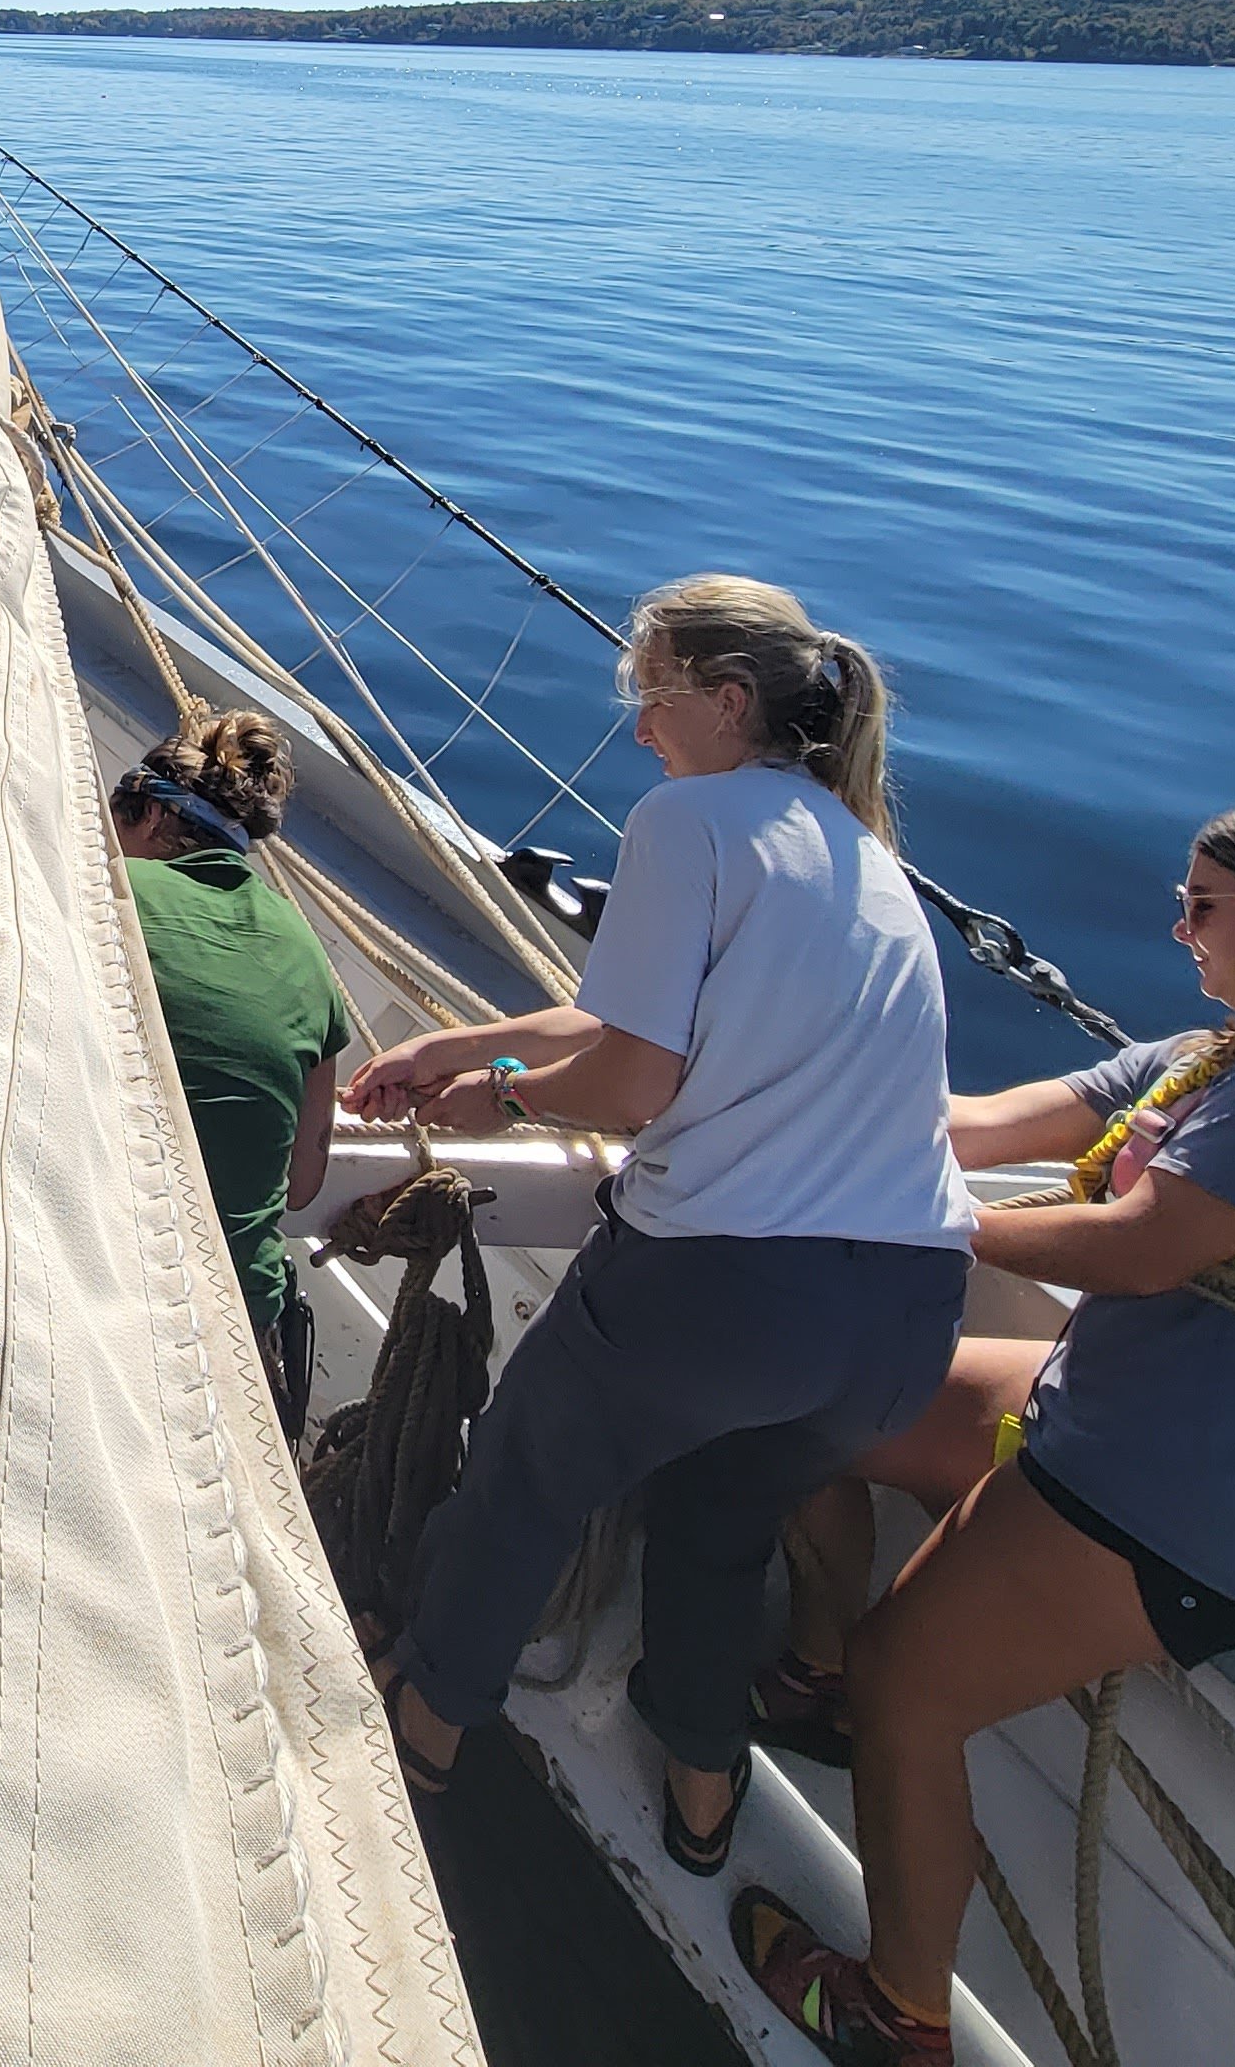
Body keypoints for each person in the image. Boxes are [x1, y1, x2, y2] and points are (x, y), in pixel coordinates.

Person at [732, 792, 1235, 2067]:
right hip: (1110, 1419)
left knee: (911, 1685)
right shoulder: (1228, 1059)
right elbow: (995, 1121)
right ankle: (814, 1681)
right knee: (808, 1412)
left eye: (1202, 905)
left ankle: (896, 2011)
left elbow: (1142, 1252)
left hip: (1180, 1503)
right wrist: (778, 1105)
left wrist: (916, 1221)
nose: (1177, 924)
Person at [341, 573, 971, 1874]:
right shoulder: (870, 860)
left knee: (518, 1486)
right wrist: (476, 1039)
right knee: (718, 1536)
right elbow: (628, 1020)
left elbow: (635, 1083)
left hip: (721, 1297)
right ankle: (700, 1799)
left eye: (652, 695)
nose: (638, 728)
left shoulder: (686, 822)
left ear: (727, 702)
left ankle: (419, 1746)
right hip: (902, 1322)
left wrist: (498, 1099)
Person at [110, 711, 351, 1417]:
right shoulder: (305, 953)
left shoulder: (106, 894)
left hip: (109, 1305)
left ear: (149, 816)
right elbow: (303, 1182)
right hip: (238, 1333)